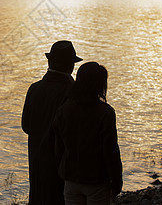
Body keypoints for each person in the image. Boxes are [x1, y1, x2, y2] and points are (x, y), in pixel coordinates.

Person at [53, 62, 123, 205]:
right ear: (100, 85)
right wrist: (116, 180)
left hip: (71, 178)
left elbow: (59, 145)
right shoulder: (106, 113)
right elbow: (110, 150)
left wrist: (62, 170)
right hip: (96, 180)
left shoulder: (64, 109)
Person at [22, 40, 82, 204]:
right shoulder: (73, 91)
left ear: (49, 62)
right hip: (63, 164)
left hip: (37, 160)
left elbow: (25, 126)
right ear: (70, 66)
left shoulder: (34, 88)